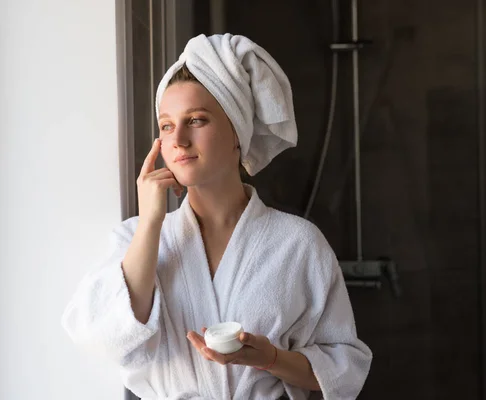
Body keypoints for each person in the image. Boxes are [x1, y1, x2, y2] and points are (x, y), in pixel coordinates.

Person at [62, 33, 372, 400]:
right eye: (166, 125)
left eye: (196, 120)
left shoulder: (298, 243)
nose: (177, 138)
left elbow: (345, 369)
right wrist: (150, 223)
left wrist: (271, 359)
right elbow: (104, 338)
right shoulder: (134, 239)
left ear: (236, 133)